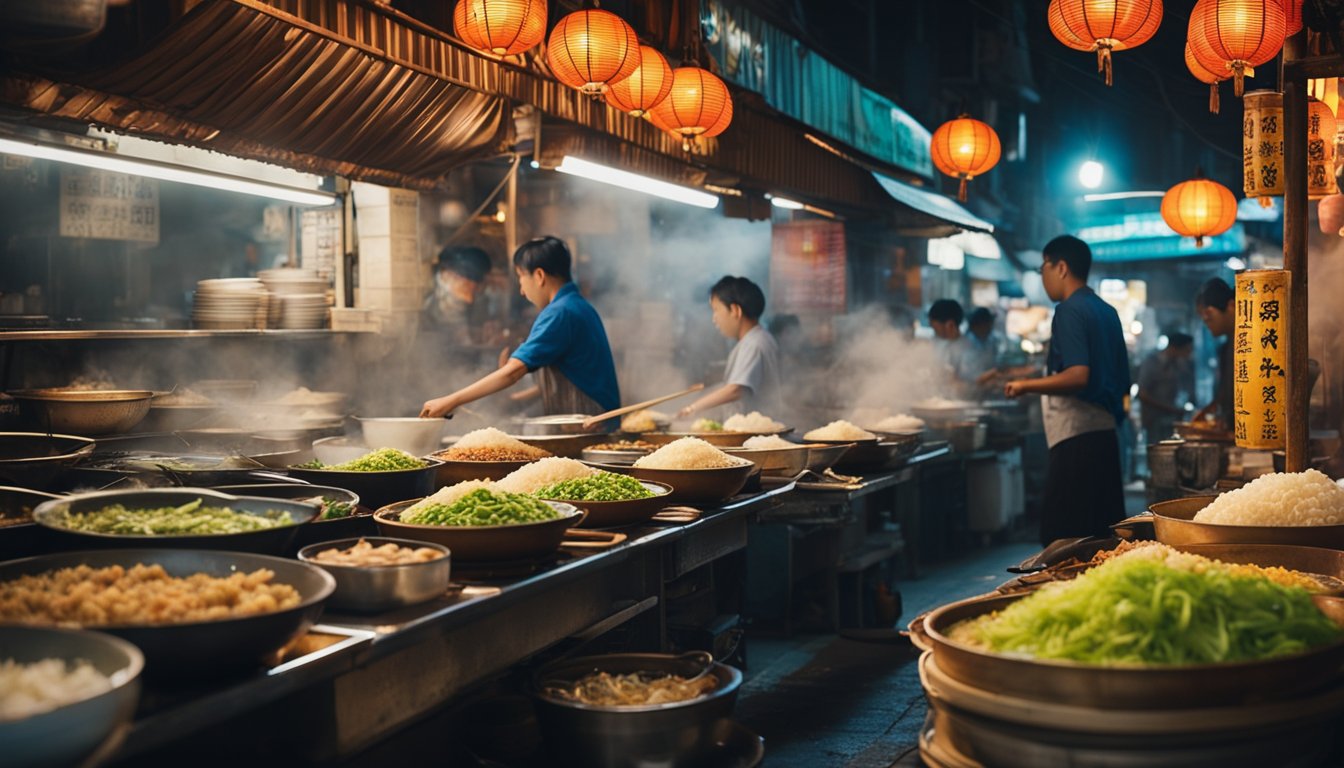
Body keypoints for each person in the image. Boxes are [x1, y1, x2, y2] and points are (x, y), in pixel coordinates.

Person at [1004, 235, 1130, 545]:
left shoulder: (1068, 310)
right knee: (1102, 537)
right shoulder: (1106, 311)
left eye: (1042, 268)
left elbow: (1078, 376)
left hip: (1076, 441)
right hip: (1104, 438)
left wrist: (1024, 385)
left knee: (1063, 540)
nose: (1042, 276)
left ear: (1060, 267)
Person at [420, 236, 620, 420]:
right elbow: (572, 376)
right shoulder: (577, 305)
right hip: (592, 420)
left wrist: (450, 401)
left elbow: (512, 373)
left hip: (590, 425)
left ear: (539, 276)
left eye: (521, 278)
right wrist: (515, 400)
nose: (522, 291)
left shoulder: (560, 313)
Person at [679, 276, 784, 417]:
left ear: (735, 310)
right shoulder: (752, 340)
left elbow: (736, 389)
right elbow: (736, 384)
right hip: (750, 433)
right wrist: (703, 392)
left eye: (716, 310)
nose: (714, 318)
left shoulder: (754, 343)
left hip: (756, 434)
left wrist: (692, 408)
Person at [422, 246, 492, 343]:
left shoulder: (458, 290)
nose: (470, 298)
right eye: (468, 287)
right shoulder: (433, 293)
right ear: (454, 276)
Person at [1136, 333, 1195, 442]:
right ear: (1174, 348)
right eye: (1186, 350)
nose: (1189, 354)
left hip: (1171, 418)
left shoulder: (1178, 364)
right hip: (1154, 420)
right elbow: (1142, 394)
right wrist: (1169, 408)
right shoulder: (1152, 363)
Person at [1193, 277, 1235, 426]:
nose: (1206, 321)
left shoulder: (1249, 343)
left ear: (1231, 306)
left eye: (1209, 315)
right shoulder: (1225, 347)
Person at [928, 299, 978, 393]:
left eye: (935, 327)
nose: (933, 331)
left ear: (950, 325)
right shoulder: (938, 343)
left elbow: (972, 385)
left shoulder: (969, 349)